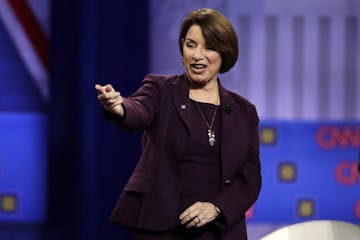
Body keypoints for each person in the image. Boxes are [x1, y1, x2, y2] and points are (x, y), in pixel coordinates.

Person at [95, 8, 261, 240]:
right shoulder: (161, 89)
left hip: (218, 231)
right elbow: (137, 110)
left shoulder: (244, 111)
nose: (197, 55)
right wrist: (118, 107)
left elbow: (250, 179)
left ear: (225, 53)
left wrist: (215, 207)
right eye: (191, 45)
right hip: (162, 228)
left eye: (209, 47)